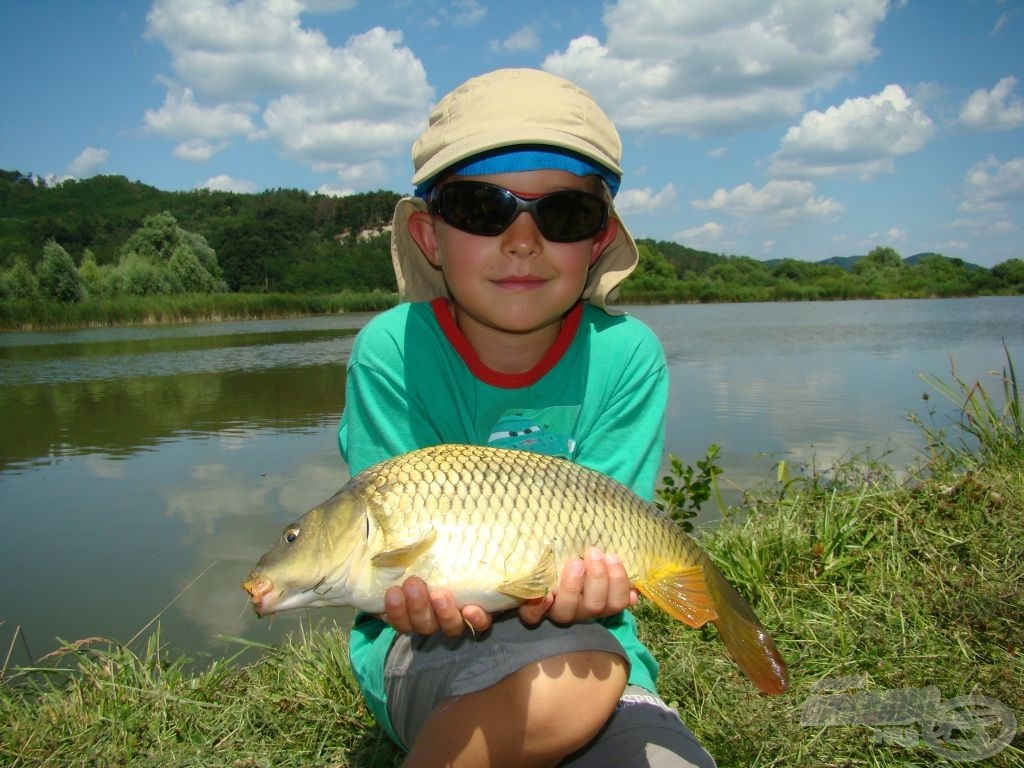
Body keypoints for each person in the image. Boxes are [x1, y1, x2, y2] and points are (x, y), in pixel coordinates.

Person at [338, 68, 716, 768]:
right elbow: (384, 548)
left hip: (593, 641)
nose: (521, 240)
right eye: (483, 209)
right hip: (426, 645)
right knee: (564, 686)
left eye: (564, 215)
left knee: (637, 726)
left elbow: (607, 530)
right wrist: (415, 595)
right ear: (428, 236)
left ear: (598, 241)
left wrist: (598, 585)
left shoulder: (628, 356)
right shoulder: (391, 352)